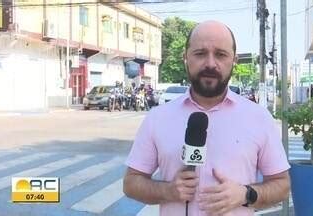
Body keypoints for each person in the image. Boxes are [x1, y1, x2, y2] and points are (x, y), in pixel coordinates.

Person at [123, 20, 290, 216]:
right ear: (185, 57)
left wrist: (246, 194)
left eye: (221, 54)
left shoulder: (258, 117)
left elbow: (282, 185)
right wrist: (167, 191)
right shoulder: (157, 118)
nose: (210, 63)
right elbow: (131, 183)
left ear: (234, 60)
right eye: (200, 54)